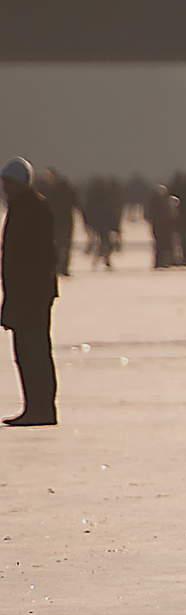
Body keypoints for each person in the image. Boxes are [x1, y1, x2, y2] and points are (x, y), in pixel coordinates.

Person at [3, 159, 59, 427]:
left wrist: (32, 290)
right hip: (20, 293)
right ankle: (32, 406)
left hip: (32, 294)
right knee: (24, 352)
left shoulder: (34, 208)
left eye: (8, 182)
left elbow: (42, 256)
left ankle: (42, 408)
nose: (4, 187)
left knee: (35, 350)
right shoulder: (20, 207)